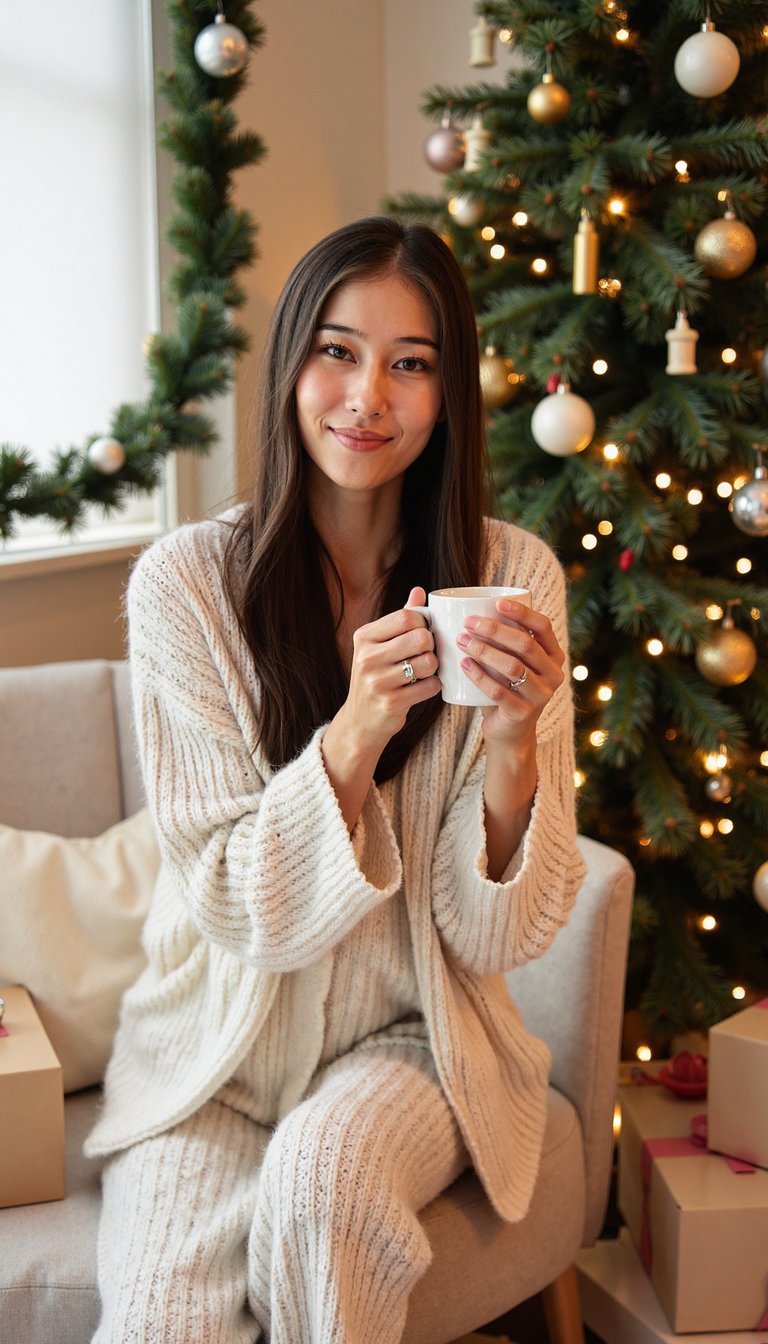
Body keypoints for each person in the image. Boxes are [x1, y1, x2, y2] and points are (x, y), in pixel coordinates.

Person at [86, 215, 586, 1343]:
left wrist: (515, 740)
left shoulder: (512, 580)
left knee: (327, 1191)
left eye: (412, 364)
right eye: (337, 350)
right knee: (165, 1320)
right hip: (212, 1054)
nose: (368, 396)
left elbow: (498, 937)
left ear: (450, 394)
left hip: (419, 1038)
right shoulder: (187, 588)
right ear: (290, 368)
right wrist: (358, 730)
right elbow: (230, 901)